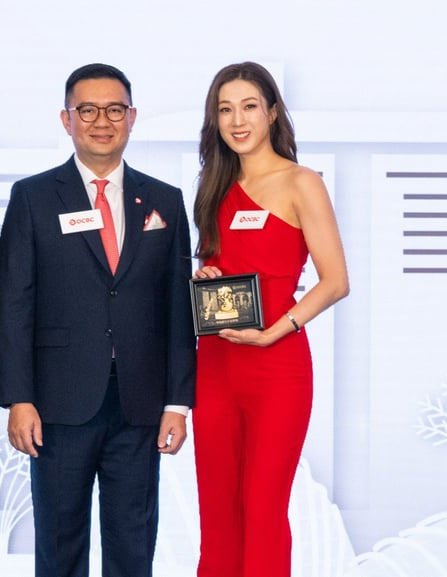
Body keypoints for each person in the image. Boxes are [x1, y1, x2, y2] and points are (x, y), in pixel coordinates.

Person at [0, 63, 196, 577]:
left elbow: (178, 309)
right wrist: (18, 398)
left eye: (114, 110)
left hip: (139, 403)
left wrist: (177, 402)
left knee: (133, 545)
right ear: (67, 119)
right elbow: (13, 303)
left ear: (132, 117)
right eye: (87, 110)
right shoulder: (34, 197)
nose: (101, 121)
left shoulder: (165, 200)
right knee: (59, 546)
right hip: (57, 405)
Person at [190, 62, 349, 577]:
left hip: (277, 366)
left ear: (273, 112)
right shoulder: (213, 185)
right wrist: (207, 276)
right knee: (218, 514)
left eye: (249, 107)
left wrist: (276, 331)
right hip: (215, 367)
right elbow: (224, 268)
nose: (237, 120)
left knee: (262, 511)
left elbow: (335, 281)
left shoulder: (302, 183)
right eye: (225, 109)